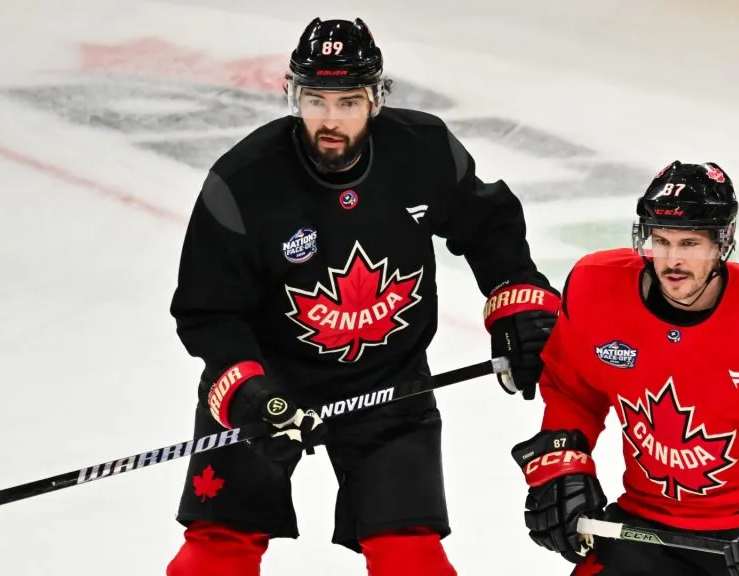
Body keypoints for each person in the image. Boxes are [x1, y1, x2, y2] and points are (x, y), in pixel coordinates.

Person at [165, 16, 560, 576]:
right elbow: (207, 312)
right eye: (315, 100)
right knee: (216, 552)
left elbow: (487, 224)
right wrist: (252, 393)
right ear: (292, 96)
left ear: (376, 99)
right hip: (271, 382)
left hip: (389, 385)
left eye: (347, 102)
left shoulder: (422, 151)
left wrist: (517, 302)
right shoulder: (242, 182)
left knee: (412, 559)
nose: (330, 120)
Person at [510, 161, 739, 576]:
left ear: (722, 242)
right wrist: (563, 459)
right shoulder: (594, 287)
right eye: (661, 241)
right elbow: (572, 390)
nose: (671, 260)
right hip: (650, 521)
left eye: (690, 244)